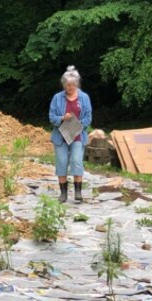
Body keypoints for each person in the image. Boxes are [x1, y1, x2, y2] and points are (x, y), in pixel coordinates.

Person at [48, 66, 93, 202]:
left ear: (77, 84)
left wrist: (78, 125)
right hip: (60, 135)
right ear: (64, 84)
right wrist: (62, 118)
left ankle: (78, 192)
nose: (70, 87)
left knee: (76, 161)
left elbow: (88, 118)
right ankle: (63, 194)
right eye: (68, 85)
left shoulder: (84, 97)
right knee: (61, 163)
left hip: (78, 134)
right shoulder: (57, 98)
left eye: (73, 85)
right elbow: (51, 117)